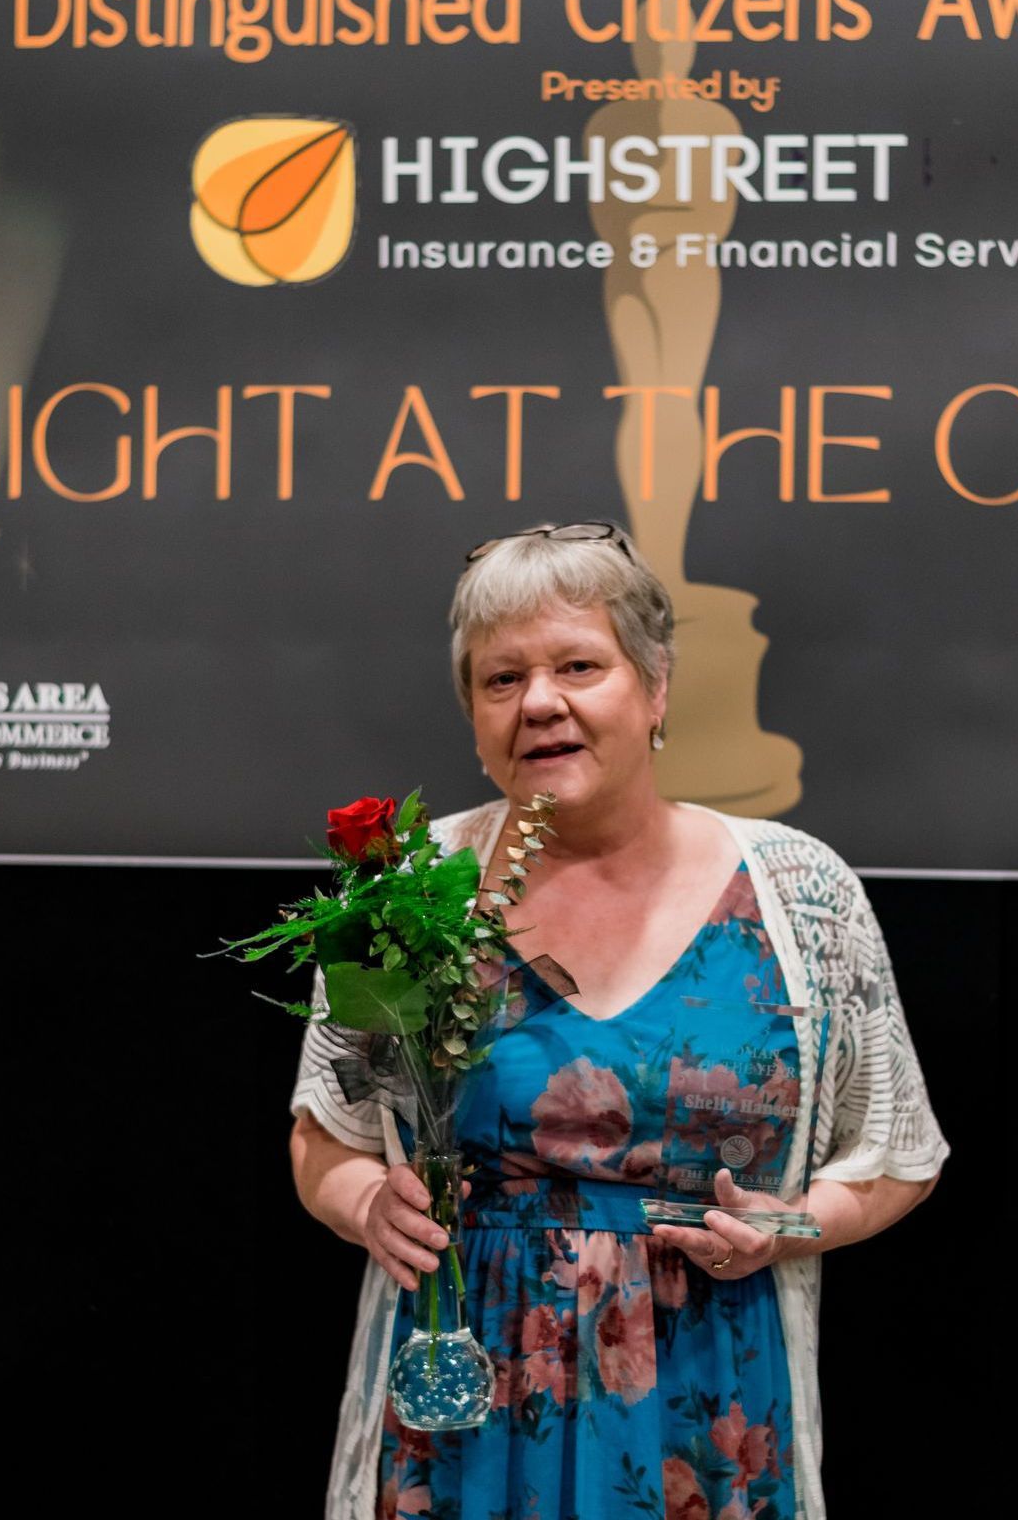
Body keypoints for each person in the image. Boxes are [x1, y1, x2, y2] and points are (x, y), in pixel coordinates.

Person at [288, 520, 950, 1520]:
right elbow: (321, 1139)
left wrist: (796, 1227)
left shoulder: (801, 891)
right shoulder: (401, 893)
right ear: (472, 714)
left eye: (578, 664)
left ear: (656, 687)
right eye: (501, 678)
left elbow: (898, 1154)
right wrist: (364, 1203)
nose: (540, 701)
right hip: (464, 1422)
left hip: (709, 1413)